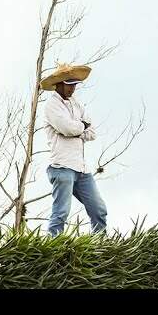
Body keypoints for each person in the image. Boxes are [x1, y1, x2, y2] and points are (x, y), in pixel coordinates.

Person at [40, 63, 107, 236]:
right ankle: (53, 247)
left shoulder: (77, 104)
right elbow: (67, 128)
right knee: (60, 213)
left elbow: (91, 133)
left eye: (74, 85)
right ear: (60, 84)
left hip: (81, 169)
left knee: (98, 210)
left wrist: (78, 129)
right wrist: (81, 127)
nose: (73, 88)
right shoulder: (51, 106)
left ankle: (100, 246)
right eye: (70, 85)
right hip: (62, 167)